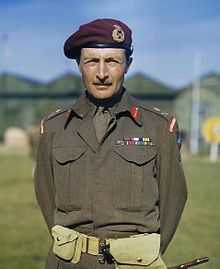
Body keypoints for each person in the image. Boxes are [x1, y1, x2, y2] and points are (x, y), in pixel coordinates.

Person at [34, 18, 187, 269]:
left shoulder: (159, 127)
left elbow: (174, 198)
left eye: (112, 61)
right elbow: (46, 194)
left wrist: (144, 256)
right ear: (79, 65)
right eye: (92, 61)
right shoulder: (53, 128)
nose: (102, 73)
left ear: (128, 65)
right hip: (69, 262)